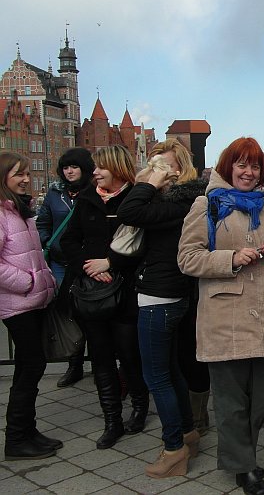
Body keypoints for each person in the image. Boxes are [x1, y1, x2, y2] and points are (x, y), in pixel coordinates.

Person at [178, 136, 264, 495]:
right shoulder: (207, 204)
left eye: (255, 166)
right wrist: (230, 258)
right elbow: (187, 258)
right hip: (225, 317)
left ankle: (242, 455)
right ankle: (243, 466)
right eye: (242, 164)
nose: (249, 172)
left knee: (262, 398)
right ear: (227, 167)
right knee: (231, 402)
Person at [117, 139, 207, 477]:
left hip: (161, 297)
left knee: (156, 377)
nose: (156, 171)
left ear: (180, 170)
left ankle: (173, 450)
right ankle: (188, 433)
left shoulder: (179, 202)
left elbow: (128, 212)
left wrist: (149, 183)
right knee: (170, 370)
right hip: (166, 294)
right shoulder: (174, 200)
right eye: (153, 163)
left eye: (164, 165)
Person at [60, 145, 149, 449]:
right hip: (93, 294)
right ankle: (112, 420)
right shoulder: (87, 199)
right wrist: (89, 267)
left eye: (101, 167)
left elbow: (144, 245)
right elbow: (69, 241)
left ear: (118, 168)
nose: (95, 173)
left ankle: (139, 408)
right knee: (101, 358)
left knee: (130, 355)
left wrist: (111, 263)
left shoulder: (135, 198)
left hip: (126, 291)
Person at [0, 152, 59, 460]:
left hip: (32, 301)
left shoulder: (19, 210)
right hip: (17, 303)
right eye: (18, 174)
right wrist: (28, 282)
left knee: (29, 365)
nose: (26, 179)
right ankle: (16, 439)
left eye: (26, 173)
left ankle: (26, 431)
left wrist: (43, 280)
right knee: (31, 365)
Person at [36, 147, 95, 388]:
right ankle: (75, 363)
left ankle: (100, 362)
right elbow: (43, 223)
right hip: (60, 262)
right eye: (65, 167)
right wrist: (48, 242)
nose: (69, 171)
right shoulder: (55, 194)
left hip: (87, 262)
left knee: (91, 310)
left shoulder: (94, 191)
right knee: (68, 312)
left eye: (74, 167)